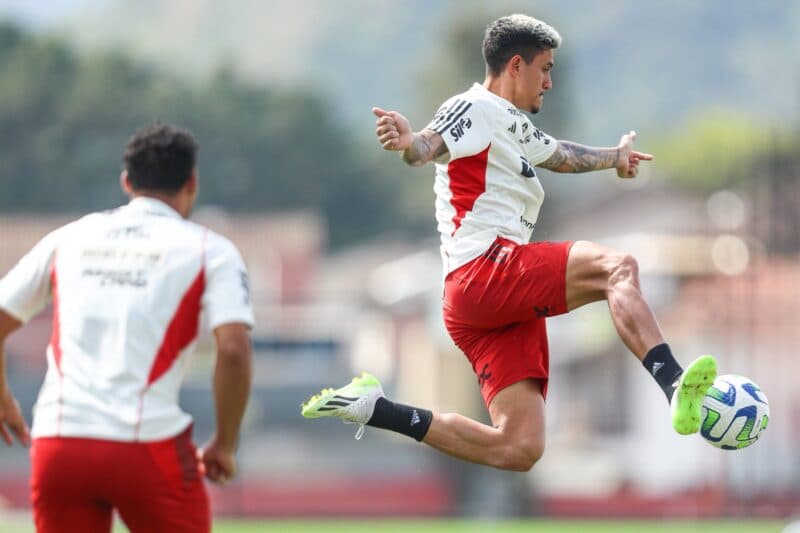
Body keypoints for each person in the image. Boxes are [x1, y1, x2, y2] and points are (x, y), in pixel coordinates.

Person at [302, 14, 717, 471]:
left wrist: (614, 158)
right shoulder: (473, 107)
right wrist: (408, 142)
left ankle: (375, 409)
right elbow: (428, 144)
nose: (550, 82)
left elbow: (559, 155)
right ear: (516, 65)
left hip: (482, 302)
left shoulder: (510, 124)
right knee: (616, 269)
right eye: (545, 68)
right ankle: (675, 384)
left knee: (519, 447)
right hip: (485, 270)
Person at [0, 123, 254, 531]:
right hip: (147, 444)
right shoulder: (211, 249)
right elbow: (233, 350)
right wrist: (225, 443)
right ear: (192, 183)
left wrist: (2, 396)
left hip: (60, 442)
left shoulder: (70, 237)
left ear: (126, 181)